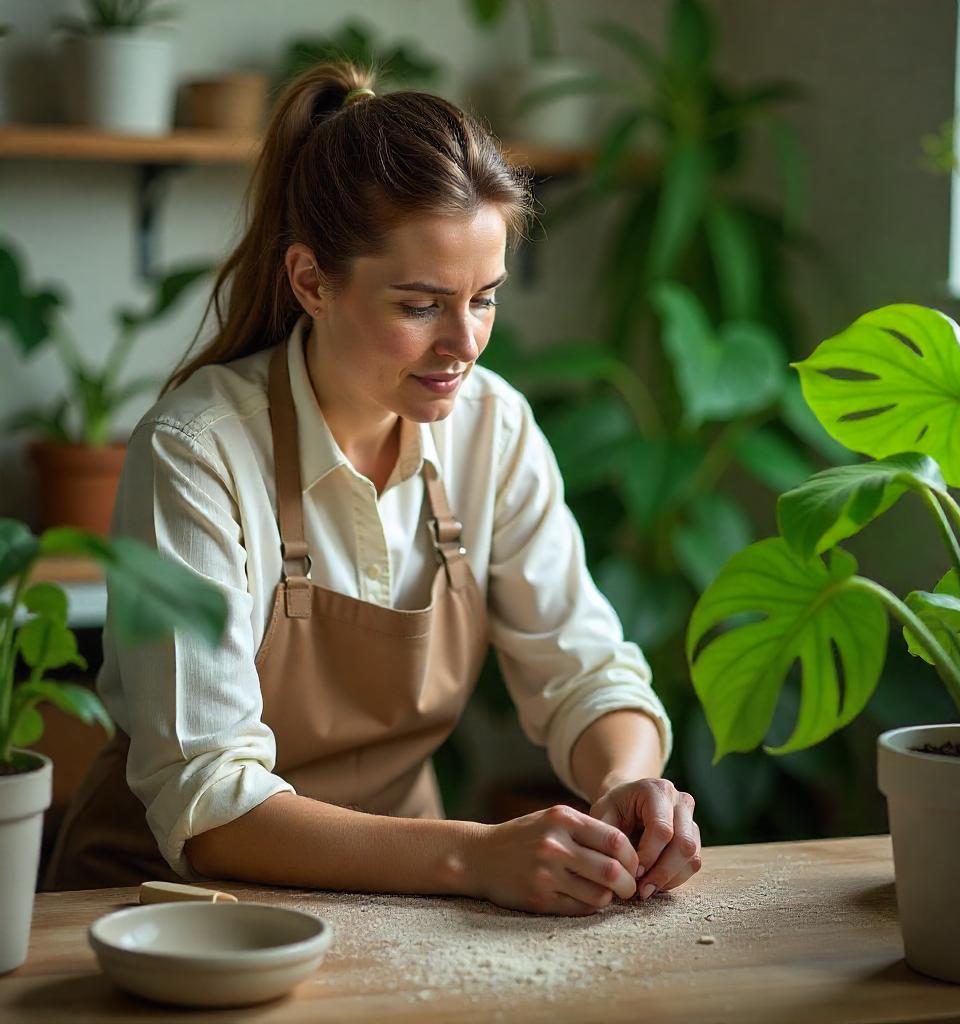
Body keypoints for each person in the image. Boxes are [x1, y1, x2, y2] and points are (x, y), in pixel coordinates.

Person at [44, 62, 701, 916]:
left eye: (485, 299)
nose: (464, 343)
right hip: (166, 905)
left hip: (405, 901)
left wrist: (627, 781)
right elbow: (208, 803)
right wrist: (473, 858)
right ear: (312, 281)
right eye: (421, 305)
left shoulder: (493, 429)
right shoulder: (196, 451)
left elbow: (586, 674)